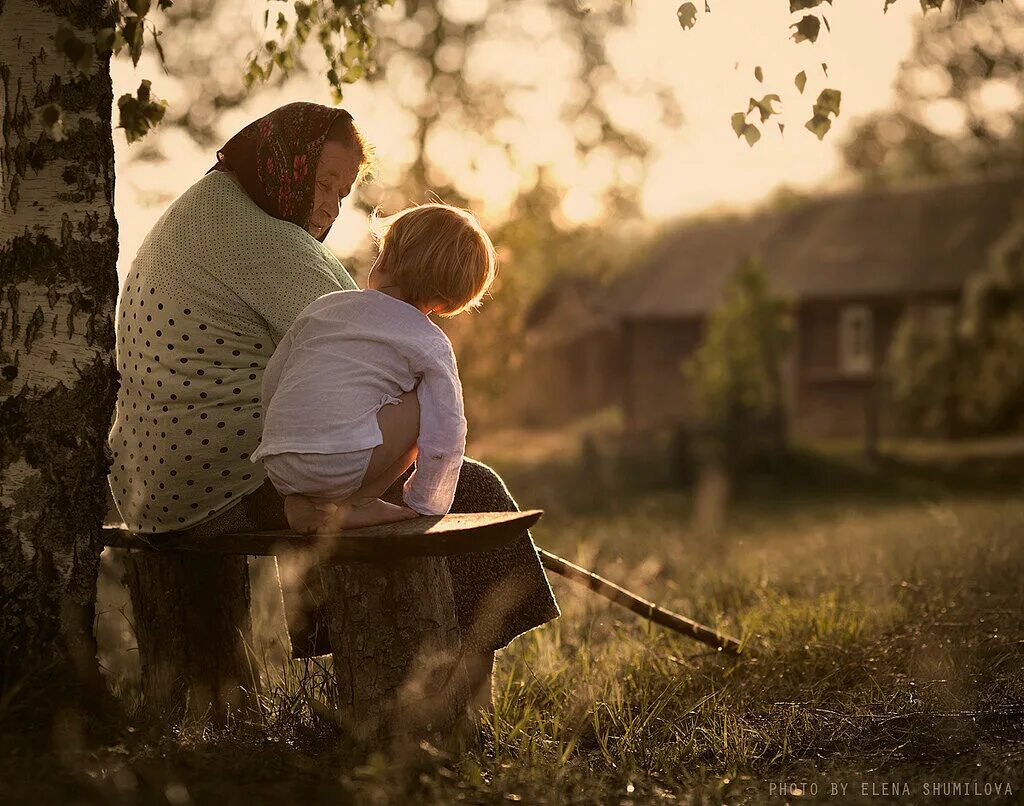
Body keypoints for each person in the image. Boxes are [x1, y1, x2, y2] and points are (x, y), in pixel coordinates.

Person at [107, 102, 558, 705]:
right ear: (284, 165)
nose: (329, 206)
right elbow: (381, 355)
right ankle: (451, 697)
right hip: (220, 485)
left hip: (151, 482)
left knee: (362, 463)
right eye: (322, 184)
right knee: (466, 489)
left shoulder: (204, 211)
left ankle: (398, 669)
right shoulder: (270, 245)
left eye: (342, 193)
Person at [252, 203, 496, 534]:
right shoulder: (429, 341)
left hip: (279, 462)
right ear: (446, 302)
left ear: (384, 260)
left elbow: (274, 380)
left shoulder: (324, 308)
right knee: (427, 404)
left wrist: (278, 438)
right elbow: (447, 429)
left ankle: (302, 504)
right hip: (342, 464)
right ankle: (359, 503)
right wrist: (427, 503)